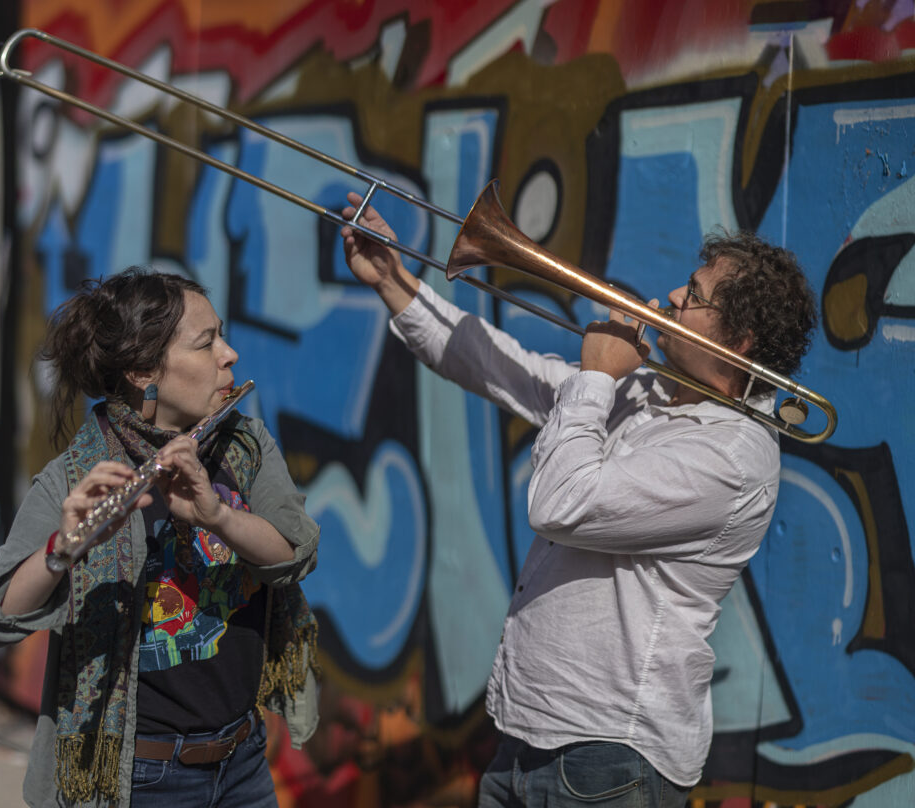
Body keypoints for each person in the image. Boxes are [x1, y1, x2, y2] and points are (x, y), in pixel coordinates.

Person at [340, 192, 816, 807]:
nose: (672, 297)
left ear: (742, 340)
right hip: (527, 732)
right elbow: (501, 368)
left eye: (694, 296)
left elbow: (561, 505)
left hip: (610, 759)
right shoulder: (649, 391)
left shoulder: (732, 457)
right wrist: (394, 280)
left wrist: (594, 376)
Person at [0, 268, 321, 808]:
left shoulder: (243, 447)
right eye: (207, 344)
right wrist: (62, 551)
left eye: (221, 335)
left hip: (243, 764)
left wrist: (217, 517)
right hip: (139, 779)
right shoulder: (76, 478)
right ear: (142, 371)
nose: (230, 355)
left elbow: (297, 553)